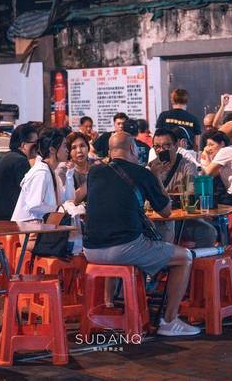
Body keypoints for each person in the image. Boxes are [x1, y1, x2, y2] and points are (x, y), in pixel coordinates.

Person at [83, 132, 200, 336]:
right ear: (131, 149)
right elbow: (165, 211)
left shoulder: (94, 171)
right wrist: (154, 176)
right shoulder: (142, 173)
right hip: (124, 248)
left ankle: (119, 302)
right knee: (185, 257)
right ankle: (170, 321)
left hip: (91, 250)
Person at [148, 129, 217, 247]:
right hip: (157, 220)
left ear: (176, 146)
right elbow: (148, 200)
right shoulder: (151, 168)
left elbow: (190, 196)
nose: (162, 150)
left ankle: (197, 263)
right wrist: (156, 175)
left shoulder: (187, 166)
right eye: (157, 146)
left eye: (167, 145)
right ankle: (168, 263)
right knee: (162, 232)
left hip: (181, 220)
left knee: (208, 232)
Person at [11, 129, 68, 223]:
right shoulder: (41, 172)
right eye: (64, 146)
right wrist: (58, 208)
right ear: (52, 149)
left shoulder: (49, 170)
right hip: (28, 230)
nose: (67, 150)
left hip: (36, 227)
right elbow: (34, 205)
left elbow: (64, 198)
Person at [0, 123, 38, 220]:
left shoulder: (10, 157)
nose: (38, 147)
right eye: (36, 143)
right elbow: (28, 194)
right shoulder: (20, 161)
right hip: (9, 220)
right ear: (24, 145)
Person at [202, 130, 232, 206]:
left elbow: (207, 173)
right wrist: (208, 155)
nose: (208, 148)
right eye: (207, 145)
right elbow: (212, 175)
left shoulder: (225, 151)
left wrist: (206, 154)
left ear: (222, 144)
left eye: (211, 145)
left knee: (207, 200)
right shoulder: (231, 150)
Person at [55, 131, 97, 204]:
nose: (79, 151)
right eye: (73, 147)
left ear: (88, 147)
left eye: (82, 146)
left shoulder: (97, 165)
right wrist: (93, 178)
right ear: (68, 151)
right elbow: (69, 202)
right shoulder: (63, 170)